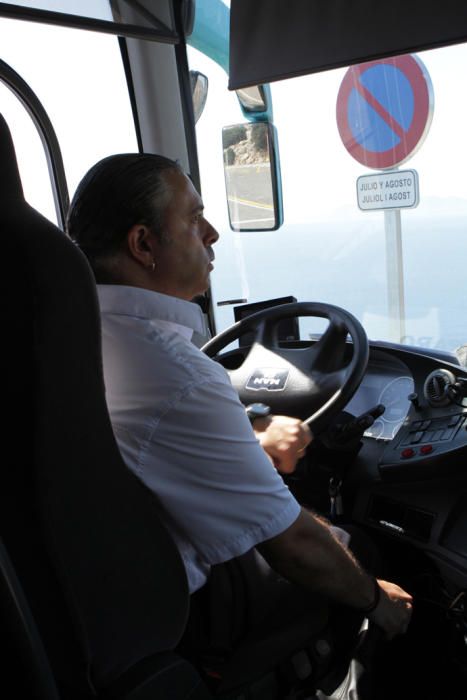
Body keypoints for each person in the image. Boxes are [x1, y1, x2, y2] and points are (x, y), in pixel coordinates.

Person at [67, 153, 412, 683]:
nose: (212, 234)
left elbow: (149, 433)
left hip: (98, 597)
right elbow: (293, 545)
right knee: (356, 551)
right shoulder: (175, 371)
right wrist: (376, 600)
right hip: (181, 614)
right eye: (193, 217)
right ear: (143, 245)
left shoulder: (74, 332)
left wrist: (252, 434)